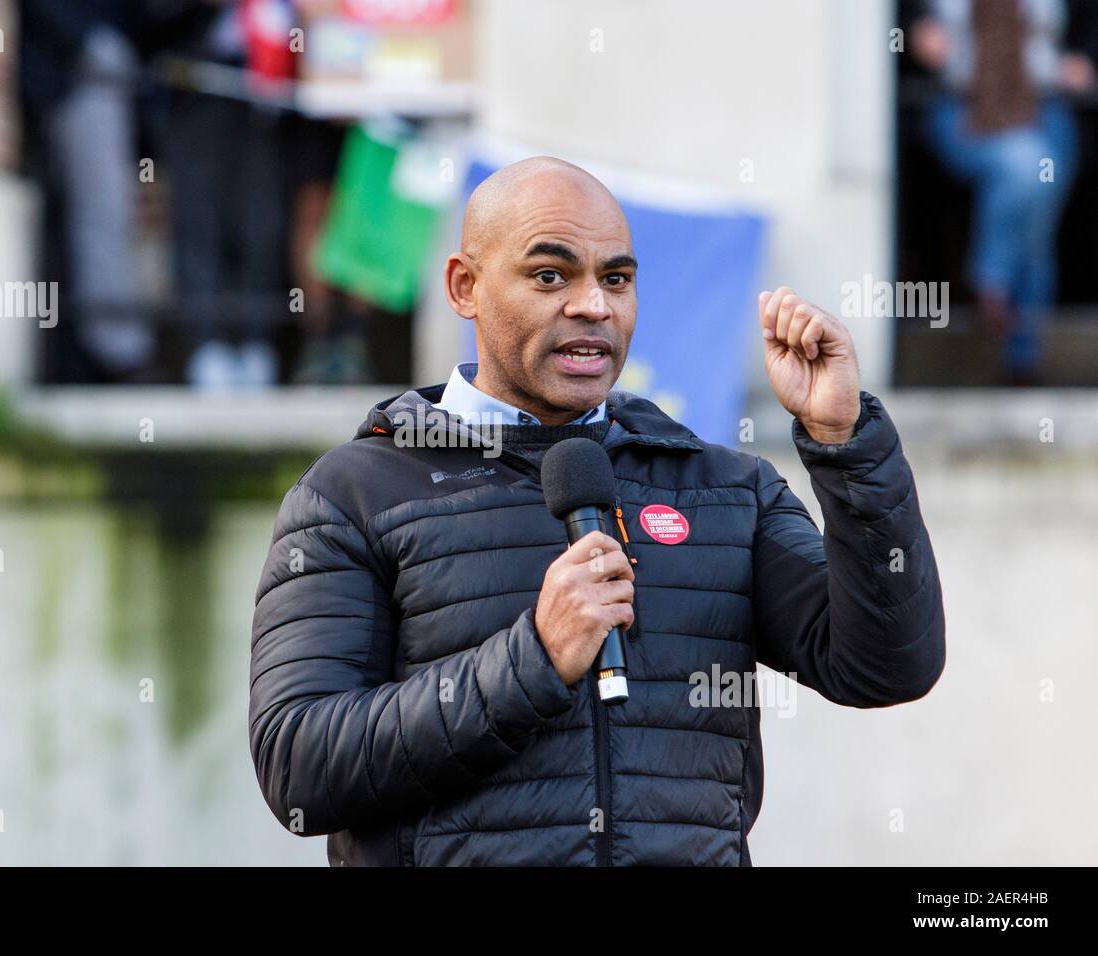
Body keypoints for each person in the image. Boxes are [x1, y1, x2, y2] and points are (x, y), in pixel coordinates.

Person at [248, 157, 946, 866]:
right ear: (465, 286)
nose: (594, 306)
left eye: (616, 279)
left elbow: (889, 665)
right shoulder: (356, 493)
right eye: (551, 276)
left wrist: (845, 442)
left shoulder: (724, 487)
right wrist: (533, 661)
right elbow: (298, 764)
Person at [914, 0, 1094, 384]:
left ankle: (1000, 304)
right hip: (963, 109)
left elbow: (1086, 28)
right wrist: (918, 33)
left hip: (1047, 108)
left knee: (1034, 217)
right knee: (1026, 169)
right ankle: (1015, 337)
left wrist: (1085, 59)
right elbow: (899, 31)